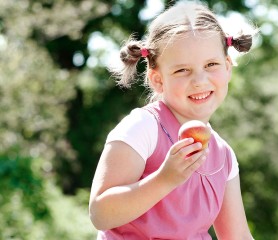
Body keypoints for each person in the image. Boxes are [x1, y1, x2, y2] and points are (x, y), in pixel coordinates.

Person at [89, 1, 256, 239]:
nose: (199, 80)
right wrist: (165, 179)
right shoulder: (143, 128)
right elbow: (100, 214)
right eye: (182, 70)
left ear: (228, 67)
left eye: (211, 65)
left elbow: (237, 236)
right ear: (157, 79)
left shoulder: (223, 156)